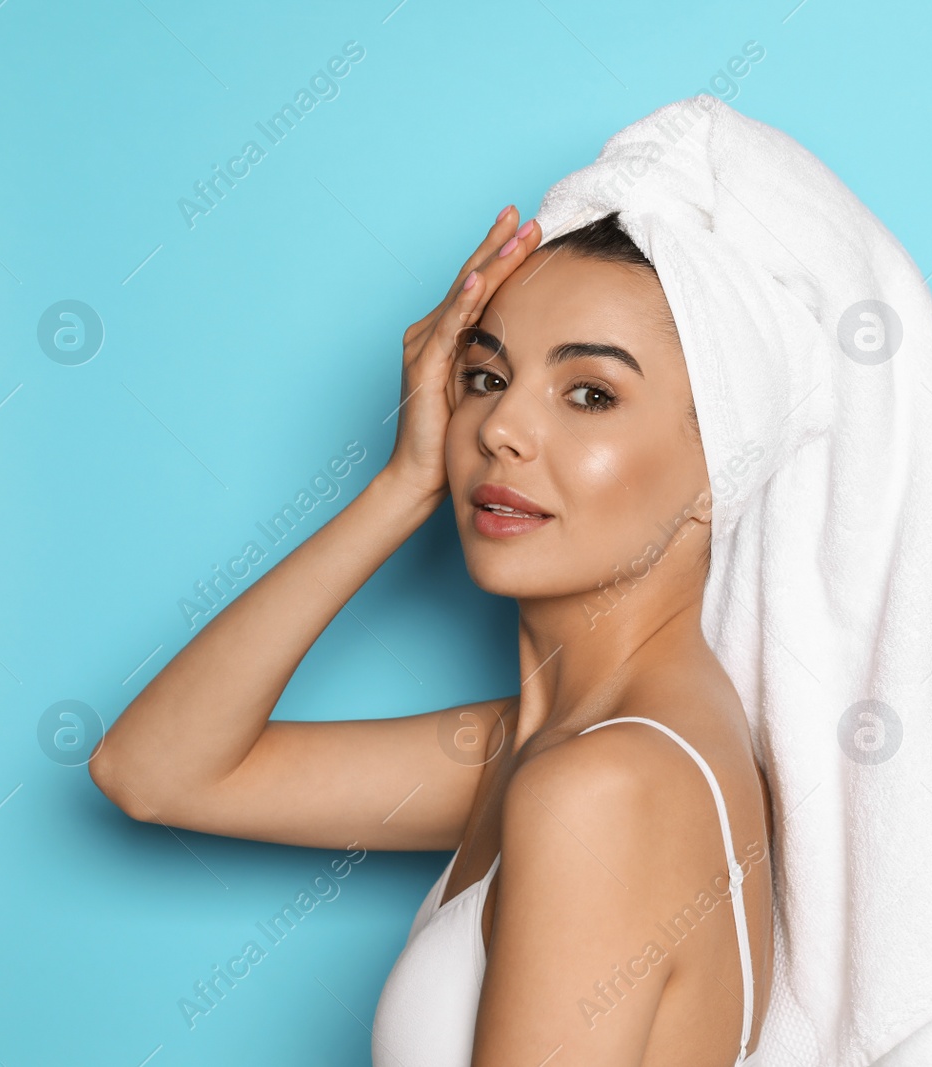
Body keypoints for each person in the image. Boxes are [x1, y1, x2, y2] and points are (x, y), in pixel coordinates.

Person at [89, 204, 773, 1067]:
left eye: (590, 393)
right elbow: (152, 772)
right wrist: (403, 484)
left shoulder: (604, 786)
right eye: (486, 377)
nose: (500, 430)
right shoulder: (536, 750)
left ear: (725, 466)